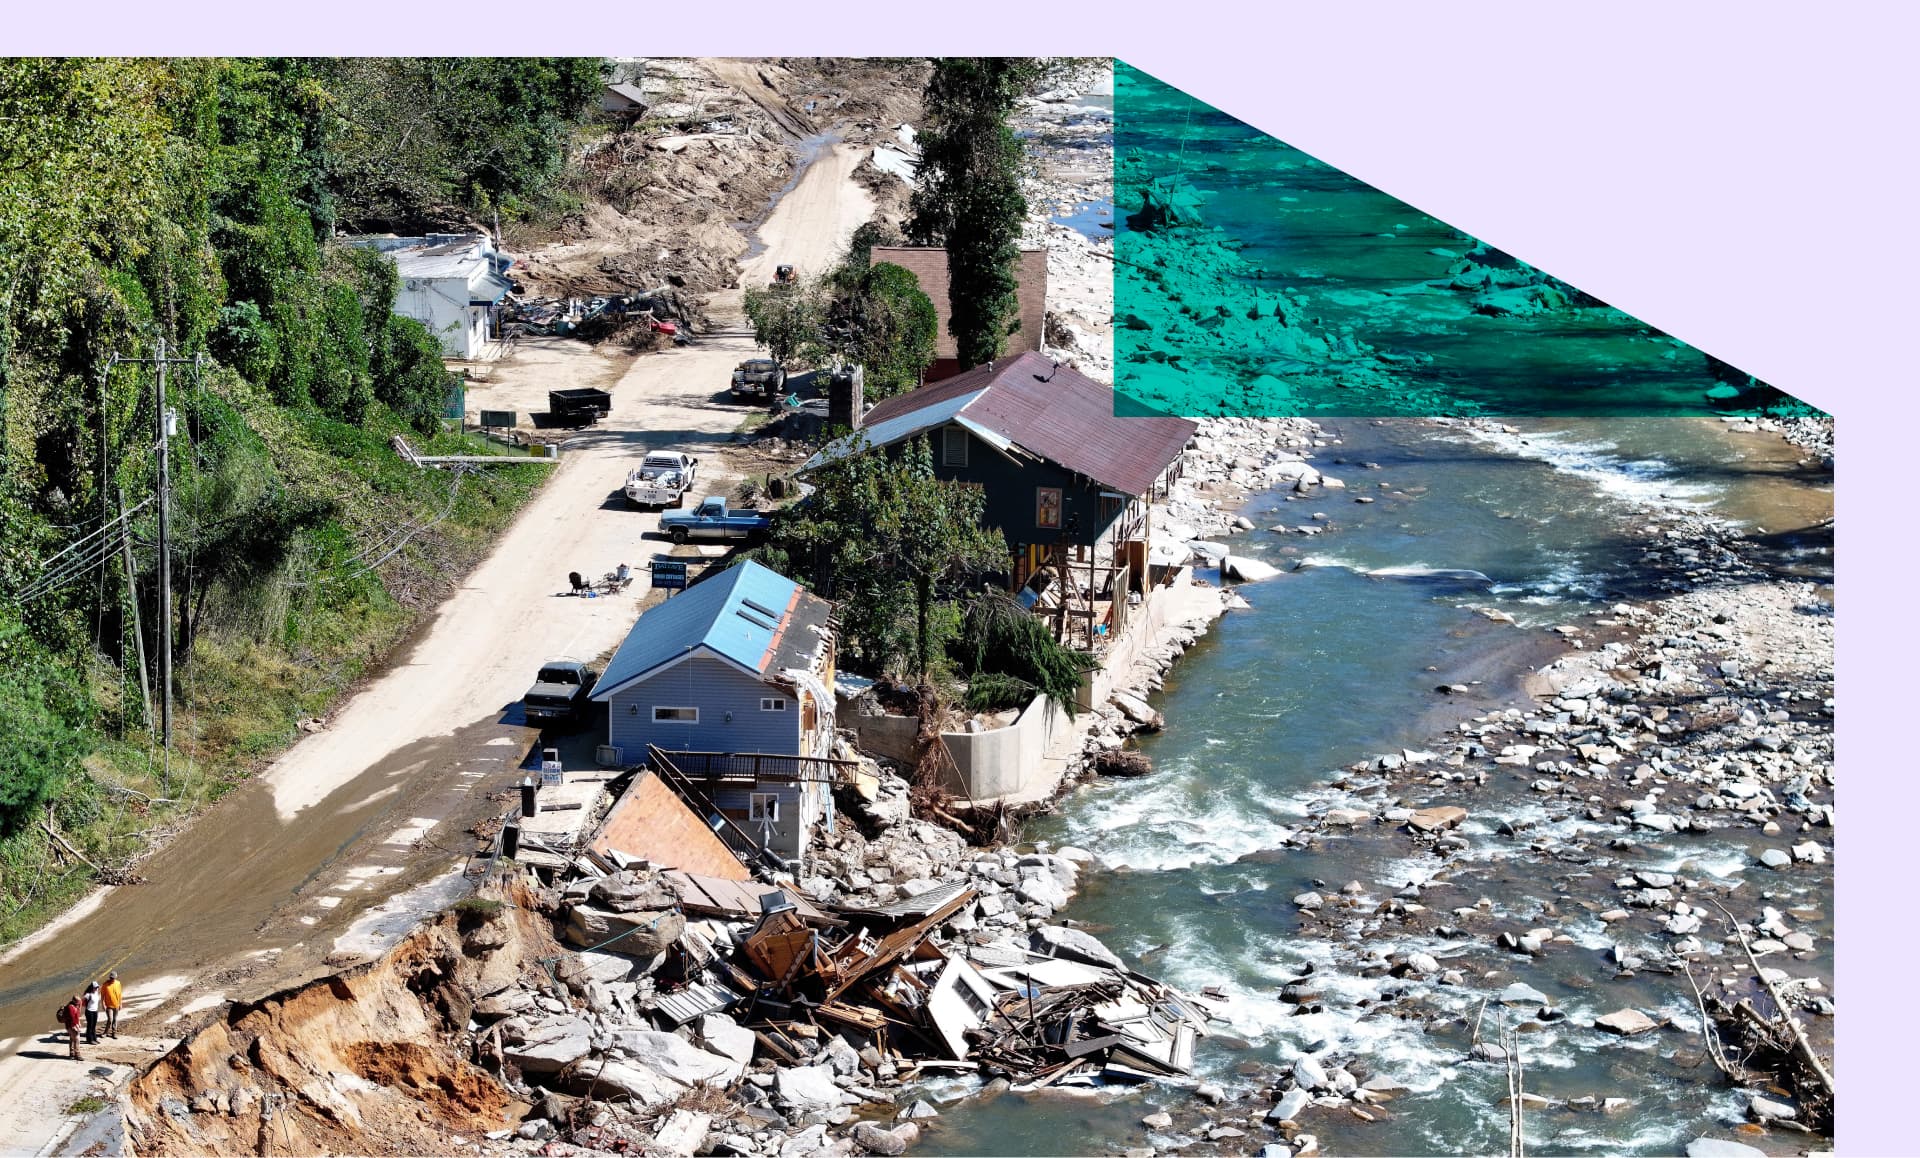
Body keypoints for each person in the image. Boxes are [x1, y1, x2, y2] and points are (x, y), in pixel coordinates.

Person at [57, 995, 82, 1060]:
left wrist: (79, 1023)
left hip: (73, 1025)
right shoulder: (70, 1007)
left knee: (72, 1039)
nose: (79, 1002)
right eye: (78, 1001)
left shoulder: (76, 1006)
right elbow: (72, 1018)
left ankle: (72, 1054)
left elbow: (77, 1016)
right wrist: (76, 1026)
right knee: (77, 1039)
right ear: (74, 1001)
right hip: (71, 1025)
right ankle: (77, 1054)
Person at [103, 971, 123, 1038]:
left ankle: (114, 1033)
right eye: (111, 978)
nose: (112, 979)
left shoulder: (118, 983)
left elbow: (120, 994)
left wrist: (120, 1003)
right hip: (108, 1006)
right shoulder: (105, 984)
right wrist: (103, 1004)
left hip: (116, 1005)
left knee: (115, 1019)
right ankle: (105, 1032)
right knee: (110, 1019)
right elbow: (102, 996)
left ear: (115, 978)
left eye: (113, 978)